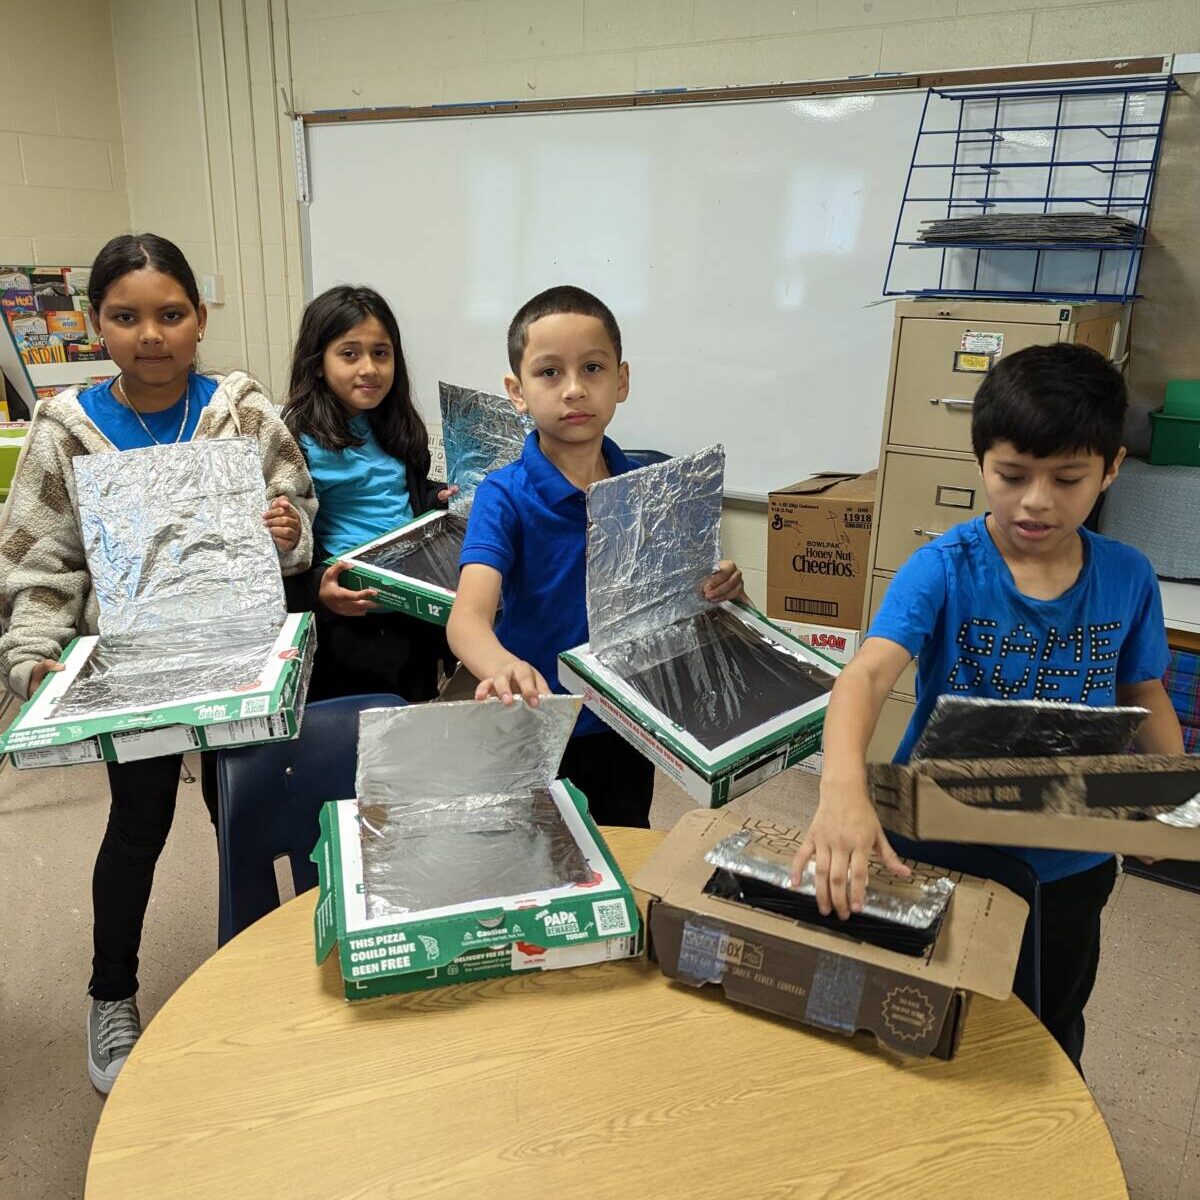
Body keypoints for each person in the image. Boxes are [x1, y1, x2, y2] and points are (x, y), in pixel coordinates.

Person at [792, 342, 1183, 1069]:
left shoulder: (1127, 576)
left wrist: (1165, 790)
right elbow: (868, 675)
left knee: (1045, 1023)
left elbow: (1143, 688)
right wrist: (842, 789)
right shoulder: (944, 567)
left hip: (1069, 861)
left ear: (1112, 468)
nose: (1036, 500)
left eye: (1067, 479)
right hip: (937, 844)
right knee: (912, 1012)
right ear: (981, 464)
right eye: (1012, 475)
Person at [0, 232, 317, 1094]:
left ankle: (269, 972)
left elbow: (293, 506)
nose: (151, 334)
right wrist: (32, 658)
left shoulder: (241, 410)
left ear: (199, 318)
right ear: (96, 325)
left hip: (238, 657)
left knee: (245, 816)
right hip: (132, 670)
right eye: (126, 316)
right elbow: (39, 558)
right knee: (138, 829)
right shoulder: (65, 429)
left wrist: (287, 530)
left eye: (170, 314)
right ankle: (111, 993)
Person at [447, 285, 745, 828]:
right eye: (549, 373)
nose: (574, 389)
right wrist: (503, 667)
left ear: (621, 380)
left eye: (592, 368)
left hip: (630, 721)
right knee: (542, 859)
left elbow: (684, 606)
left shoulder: (649, 488)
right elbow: (467, 619)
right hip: (541, 722)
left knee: (624, 843)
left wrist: (725, 590)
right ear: (517, 391)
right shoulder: (504, 494)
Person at [282, 285, 455, 702]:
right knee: (350, 738)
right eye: (349, 354)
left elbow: (396, 494)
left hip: (409, 608)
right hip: (345, 619)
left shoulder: (395, 424)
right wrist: (319, 587)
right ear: (318, 363)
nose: (369, 368)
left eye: (381, 353)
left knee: (410, 726)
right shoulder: (293, 438)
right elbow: (281, 546)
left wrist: (435, 499)